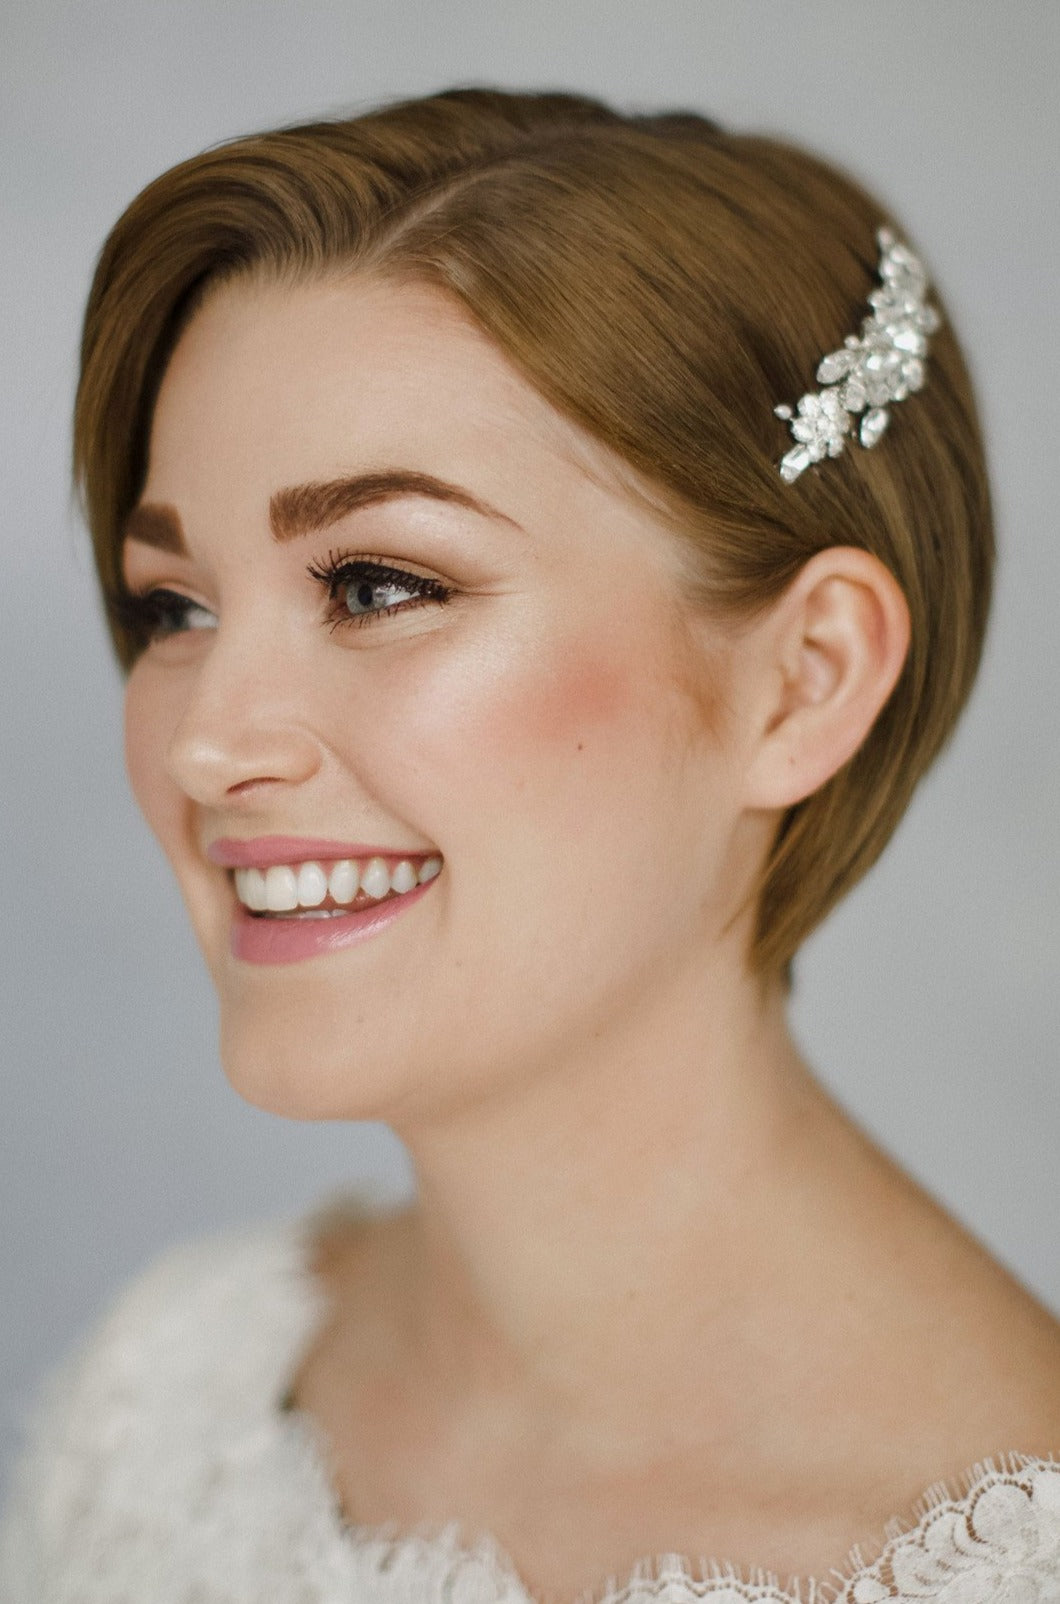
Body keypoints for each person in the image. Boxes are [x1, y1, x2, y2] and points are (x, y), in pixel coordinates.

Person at [1, 86, 1057, 1603]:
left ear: (805, 677)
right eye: (176, 606)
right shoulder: (169, 1397)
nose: (205, 741)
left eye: (375, 584)